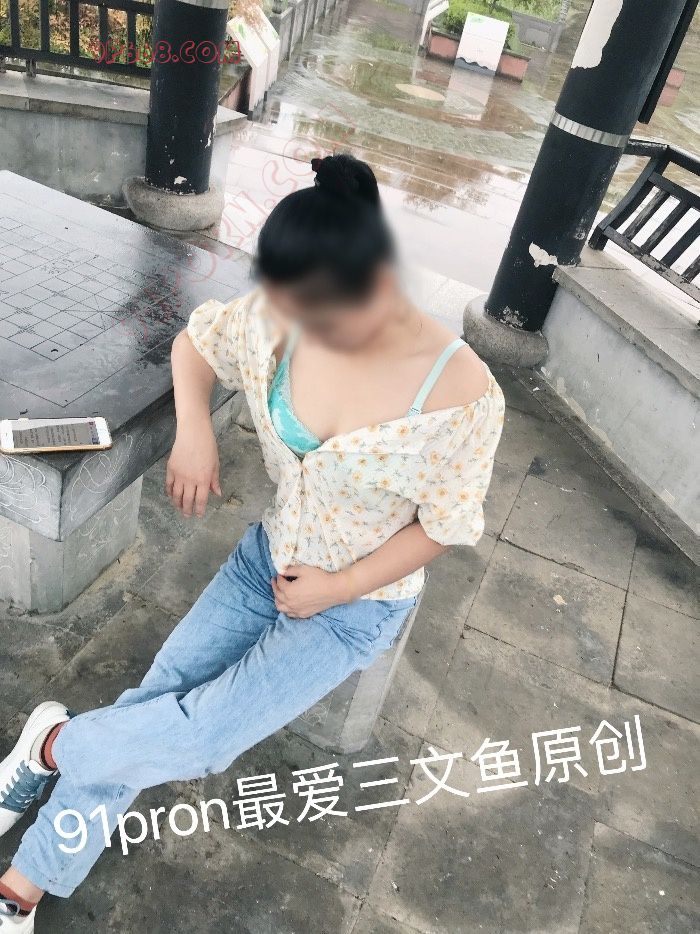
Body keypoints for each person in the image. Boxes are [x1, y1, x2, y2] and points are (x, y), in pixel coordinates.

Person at [0, 153, 505, 931]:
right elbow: (197, 345)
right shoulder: (281, 316)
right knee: (153, 714)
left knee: (200, 739)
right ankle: (24, 885)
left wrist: (340, 587)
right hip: (263, 562)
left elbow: (444, 528)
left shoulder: (464, 396)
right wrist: (194, 430)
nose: (297, 332)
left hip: (353, 608)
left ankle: (52, 745)